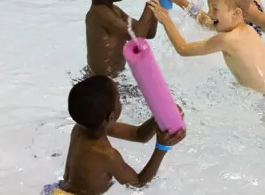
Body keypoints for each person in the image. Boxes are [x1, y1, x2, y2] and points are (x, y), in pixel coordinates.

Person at [147, 0, 265, 96]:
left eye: (215, 9)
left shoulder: (226, 40)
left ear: (236, 13)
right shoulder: (248, 29)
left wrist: (165, 19)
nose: (210, 13)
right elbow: (205, 21)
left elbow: (183, 49)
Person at [42, 75, 186, 195]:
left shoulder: (81, 128)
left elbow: (138, 135)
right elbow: (138, 183)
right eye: (119, 100)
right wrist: (162, 147)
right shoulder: (107, 155)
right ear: (110, 117)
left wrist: (160, 115)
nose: (121, 101)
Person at [78, 0, 169, 77]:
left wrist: (152, 0)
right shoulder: (98, 14)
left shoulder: (115, 11)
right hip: (99, 83)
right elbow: (137, 39)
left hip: (115, 80)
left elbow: (149, 33)